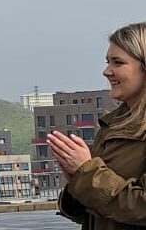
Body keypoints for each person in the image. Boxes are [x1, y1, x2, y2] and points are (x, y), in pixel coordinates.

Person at [54, 21, 146, 230]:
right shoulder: (110, 127)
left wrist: (86, 173)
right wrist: (76, 178)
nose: (106, 71)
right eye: (107, 62)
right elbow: (102, 211)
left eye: (117, 62)